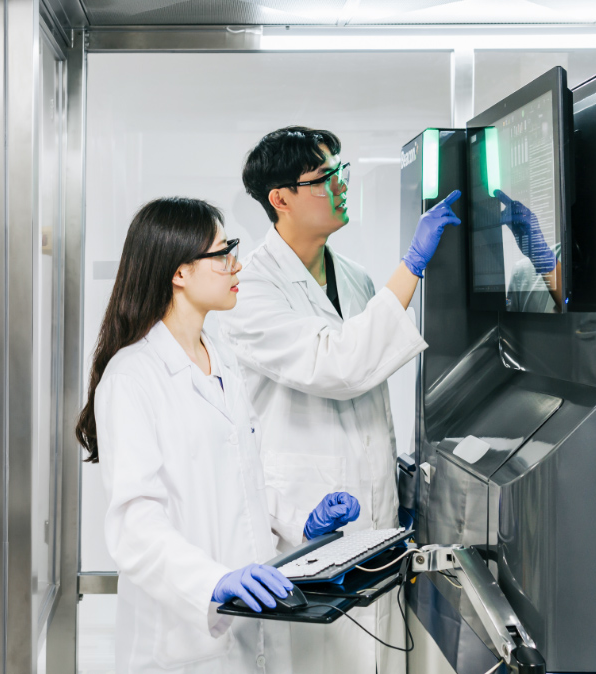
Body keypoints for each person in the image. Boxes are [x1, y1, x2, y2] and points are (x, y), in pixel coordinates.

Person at [75, 196, 363, 674]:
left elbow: (241, 478)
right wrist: (214, 581)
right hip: (176, 644)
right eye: (221, 252)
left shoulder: (221, 355)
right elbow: (135, 526)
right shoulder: (133, 378)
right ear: (179, 272)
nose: (238, 264)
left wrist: (300, 523)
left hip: (248, 632)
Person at [221, 127, 462, 674]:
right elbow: (341, 364)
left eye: (341, 172)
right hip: (300, 524)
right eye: (325, 178)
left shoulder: (352, 277)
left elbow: (370, 385)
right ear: (279, 199)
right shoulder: (251, 289)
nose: (341, 185)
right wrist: (413, 265)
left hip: (373, 518)